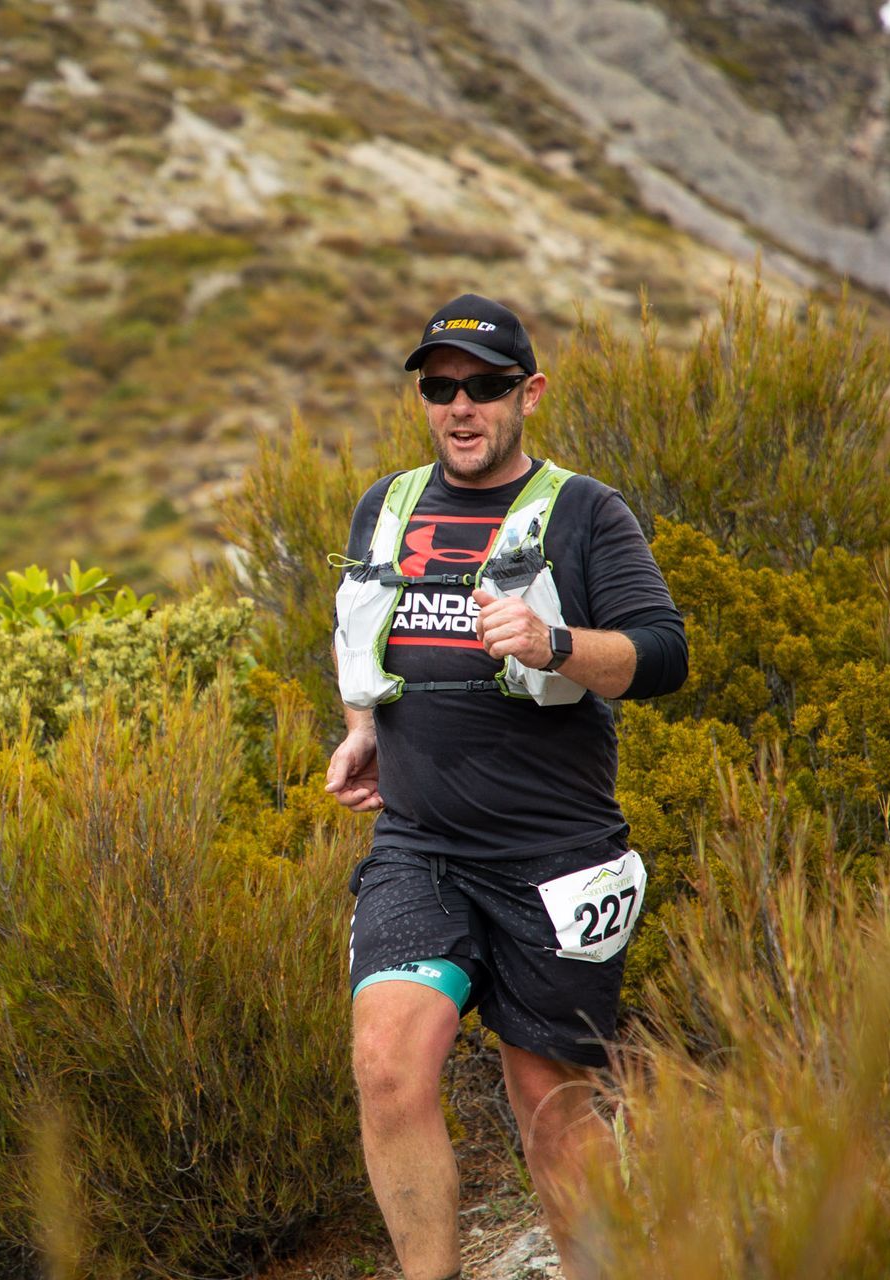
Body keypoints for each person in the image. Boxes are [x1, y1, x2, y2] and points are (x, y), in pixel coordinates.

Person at [324, 294, 688, 1280]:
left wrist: (557, 642)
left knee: (552, 1109)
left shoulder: (584, 510)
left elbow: (662, 654)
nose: (460, 406)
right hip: (420, 846)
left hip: (555, 857)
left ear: (528, 392)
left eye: (483, 385)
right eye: (439, 387)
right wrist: (363, 732)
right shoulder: (389, 505)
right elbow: (371, 642)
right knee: (387, 1064)